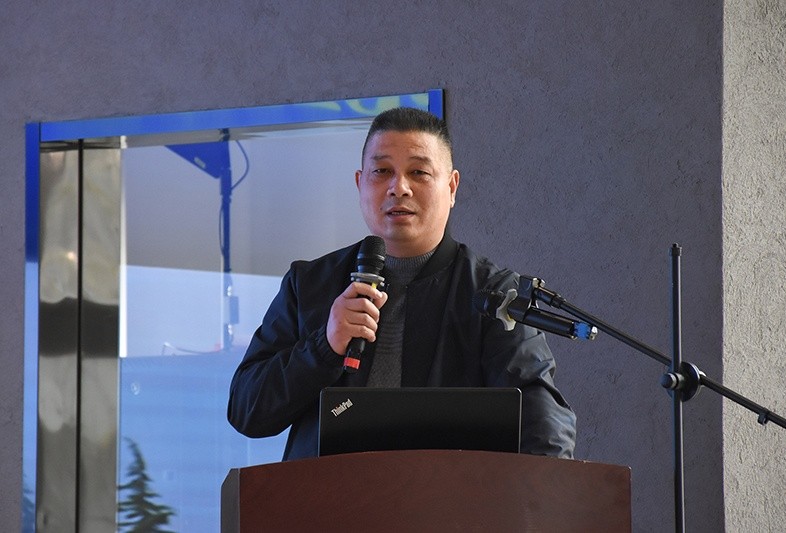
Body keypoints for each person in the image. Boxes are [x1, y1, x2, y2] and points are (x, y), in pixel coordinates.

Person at [227, 107, 576, 460]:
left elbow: (544, 427)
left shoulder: (493, 295)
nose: (399, 188)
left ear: (451, 187)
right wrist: (324, 347)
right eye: (382, 172)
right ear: (360, 183)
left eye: (418, 172)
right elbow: (246, 411)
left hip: (445, 495)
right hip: (324, 494)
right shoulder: (309, 284)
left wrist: (542, 493)